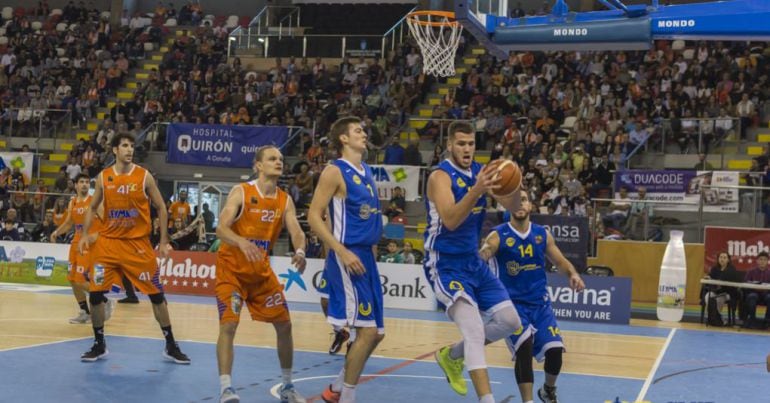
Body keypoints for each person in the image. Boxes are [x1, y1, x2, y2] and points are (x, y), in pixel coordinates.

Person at [425, 121, 523, 403]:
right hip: (443, 262)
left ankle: (451, 356)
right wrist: (477, 190)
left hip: (472, 261)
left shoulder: (483, 173)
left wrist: (513, 182)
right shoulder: (440, 177)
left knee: (509, 320)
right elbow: (452, 221)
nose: (467, 149)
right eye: (461, 144)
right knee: (474, 328)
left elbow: (514, 208)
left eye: (470, 144)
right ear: (449, 145)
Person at [78, 133, 190, 364]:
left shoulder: (143, 176)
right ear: (114, 151)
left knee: (157, 296)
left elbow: (161, 206)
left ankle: (170, 344)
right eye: (125, 146)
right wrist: (85, 234)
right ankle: (99, 344)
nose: (129, 150)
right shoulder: (103, 177)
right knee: (96, 294)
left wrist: (162, 240)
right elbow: (92, 207)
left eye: (132, 146)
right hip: (107, 246)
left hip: (138, 246)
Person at [215, 146, 307, 403]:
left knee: (285, 325)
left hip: (261, 274)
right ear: (258, 165)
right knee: (229, 324)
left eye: (280, 159)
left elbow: (297, 231)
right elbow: (221, 229)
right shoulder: (241, 192)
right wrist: (241, 242)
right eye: (272, 159)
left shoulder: (284, 199)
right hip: (231, 271)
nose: (279, 162)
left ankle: (287, 387)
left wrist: (299, 250)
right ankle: (226, 388)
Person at [479, 189, 585, 403]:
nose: (520, 204)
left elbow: (560, 261)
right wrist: (482, 255)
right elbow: (486, 250)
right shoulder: (498, 234)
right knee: (524, 348)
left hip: (540, 305)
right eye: (515, 201)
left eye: (524, 200)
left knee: (555, 352)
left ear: (530, 206)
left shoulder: (541, 234)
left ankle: (547, 390)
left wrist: (572, 274)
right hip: (513, 307)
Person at [308, 116, 384, 403]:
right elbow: (314, 216)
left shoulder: (366, 171)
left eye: (363, 130)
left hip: (366, 258)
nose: (363, 134)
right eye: (357, 130)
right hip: (346, 255)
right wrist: (340, 250)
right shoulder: (334, 171)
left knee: (376, 334)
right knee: (365, 332)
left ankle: (337, 388)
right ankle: (347, 397)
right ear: (343, 138)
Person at [51, 174, 115, 324]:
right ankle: (85, 312)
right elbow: (68, 223)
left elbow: (108, 224)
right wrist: (56, 232)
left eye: (87, 182)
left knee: (80, 280)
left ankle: (105, 300)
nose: (85, 185)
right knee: (72, 279)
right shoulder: (72, 202)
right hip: (76, 242)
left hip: (90, 244)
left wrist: (97, 235)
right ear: (76, 185)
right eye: (82, 182)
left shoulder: (95, 202)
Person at [704, 252, 739, 326]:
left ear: (728, 260)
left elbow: (734, 283)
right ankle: (714, 317)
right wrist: (709, 278)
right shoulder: (714, 269)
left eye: (724, 257)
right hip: (716, 292)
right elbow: (711, 277)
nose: (722, 259)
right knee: (708, 297)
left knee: (719, 299)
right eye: (720, 257)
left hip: (727, 293)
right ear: (718, 259)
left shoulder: (732, 269)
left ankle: (717, 319)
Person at [743, 251, 770, 329]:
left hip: (766, 294)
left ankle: (767, 321)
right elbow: (745, 283)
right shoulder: (751, 271)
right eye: (760, 259)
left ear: (767, 261)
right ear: (757, 260)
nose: (762, 261)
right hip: (754, 293)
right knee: (752, 296)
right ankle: (752, 320)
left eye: (764, 260)